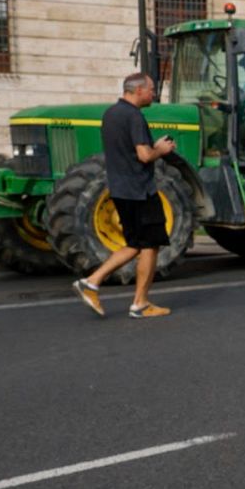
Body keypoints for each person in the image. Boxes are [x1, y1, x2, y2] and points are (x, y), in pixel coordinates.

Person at [72, 72, 176, 319]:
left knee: (134, 244)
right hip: (140, 190)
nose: (153, 93)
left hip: (119, 189)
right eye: (151, 89)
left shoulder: (111, 114)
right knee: (150, 245)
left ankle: (92, 282)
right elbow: (144, 155)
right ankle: (140, 303)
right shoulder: (134, 116)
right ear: (138, 90)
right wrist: (160, 149)